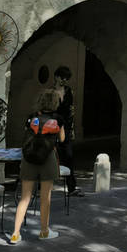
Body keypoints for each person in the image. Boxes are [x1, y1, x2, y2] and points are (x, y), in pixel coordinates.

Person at [10, 88, 64, 244]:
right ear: (54, 102)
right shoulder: (58, 119)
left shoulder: (31, 117)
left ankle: (15, 233)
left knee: (25, 197)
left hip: (29, 158)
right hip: (48, 158)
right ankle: (44, 231)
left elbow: (27, 134)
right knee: (45, 198)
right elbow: (62, 138)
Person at [53, 66, 82, 197]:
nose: (64, 80)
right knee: (49, 156)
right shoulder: (50, 92)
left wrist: (72, 129)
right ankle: (41, 186)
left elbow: (71, 110)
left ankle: (72, 187)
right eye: (62, 77)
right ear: (56, 76)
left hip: (66, 128)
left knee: (69, 157)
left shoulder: (69, 91)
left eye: (67, 78)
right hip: (52, 128)